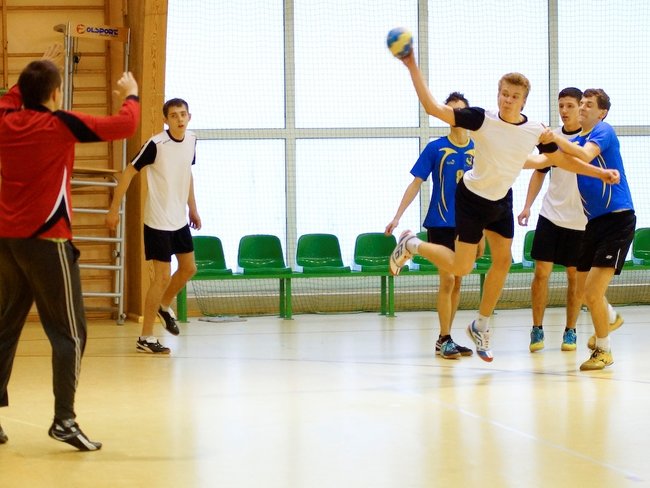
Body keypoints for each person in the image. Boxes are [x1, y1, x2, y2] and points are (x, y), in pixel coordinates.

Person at [388, 52, 620, 362]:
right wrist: (412, 65)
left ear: (523, 102)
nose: (508, 100)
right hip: (472, 198)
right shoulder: (481, 118)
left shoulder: (534, 129)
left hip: (500, 201)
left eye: (515, 96)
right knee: (462, 267)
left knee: (503, 262)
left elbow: (560, 160)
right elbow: (432, 107)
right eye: (504, 94)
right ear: (498, 95)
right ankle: (411, 243)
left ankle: (481, 325)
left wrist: (599, 173)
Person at [0, 45, 140, 450]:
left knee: (5, 327)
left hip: (8, 242)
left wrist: (30, 76)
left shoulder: (5, 120)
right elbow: (124, 125)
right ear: (55, 93)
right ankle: (64, 419)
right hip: (48, 241)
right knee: (71, 333)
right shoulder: (60, 124)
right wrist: (130, 94)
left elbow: (11, 98)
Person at [518, 87, 623, 353]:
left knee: (577, 280)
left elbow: (584, 157)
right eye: (561, 106)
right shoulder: (557, 137)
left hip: (583, 221)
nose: (565, 111)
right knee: (541, 273)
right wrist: (527, 205)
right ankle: (538, 327)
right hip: (551, 215)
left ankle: (572, 330)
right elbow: (540, 166)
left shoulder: (594, 137)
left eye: (572, 106)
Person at [542, 89, 634, 371]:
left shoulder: (603, 131)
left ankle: (603, 350)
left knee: (592, 292)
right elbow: (553, 161)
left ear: (602, 112)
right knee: (584, 291)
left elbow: (583, 154)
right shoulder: (577, 140)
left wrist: (554, 136)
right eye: (580, 103)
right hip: (592, 222)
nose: (582, 108)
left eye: (588, 104)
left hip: (617, 219)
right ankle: (610, 317)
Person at [106, 98, 200, 354]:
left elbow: (187, 173)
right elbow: (128, 171)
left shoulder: (192, 140)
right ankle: (145, 337)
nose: (179, 119)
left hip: (179, 219)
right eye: (174, 115)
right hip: (158, 221)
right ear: (165, 120)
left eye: (183, 114)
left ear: (189, 117)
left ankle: (163, 305)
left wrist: (192, 207)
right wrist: (114, 208)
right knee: (161, 277)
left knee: (189, 268)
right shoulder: (156, 144)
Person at [385, 91, 475, 360]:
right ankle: (445, 338)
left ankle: (445, 338)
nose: (456, 116)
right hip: (440, 222)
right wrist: (397, 216)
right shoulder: (435, 148)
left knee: (458, 281)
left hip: (467, 223)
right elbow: (416, 183)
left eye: (460, 110)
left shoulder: (478, 148)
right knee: (447, 279)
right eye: (451, 111)